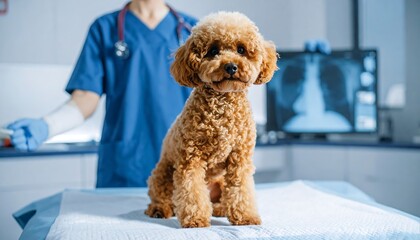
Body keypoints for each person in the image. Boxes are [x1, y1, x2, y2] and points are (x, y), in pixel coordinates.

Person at [4, 0, 197, 188]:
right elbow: (85, 99)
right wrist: (46, 126)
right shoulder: (104, 28)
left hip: (186, 164)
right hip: (125, 168)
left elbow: (214, 99)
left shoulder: (194, 31)